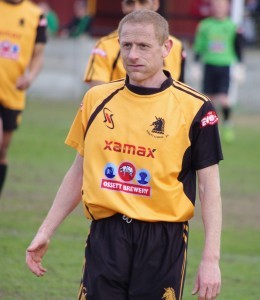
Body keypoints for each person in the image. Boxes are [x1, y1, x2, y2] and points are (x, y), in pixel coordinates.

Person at [26, 9, 223, 300]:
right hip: (106, 235)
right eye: (126, 45)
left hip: (163, 240)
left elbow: (209, 188)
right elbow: (79, 171)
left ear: (166, 47)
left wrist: (211, 259)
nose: (132, 55)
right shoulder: (96, 99)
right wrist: (46, 229)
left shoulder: (196, 108)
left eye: (143, 46)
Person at [0, 0, 47, 196]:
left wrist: (30, 76)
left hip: (13, 93)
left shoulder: (36, 16)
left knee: (2, 151)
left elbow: (38, 55)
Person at [84, 0, 186, 88]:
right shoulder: (104, 46)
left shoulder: (177, 46)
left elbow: (179, 91)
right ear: (123, 5)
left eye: (143, 2)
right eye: (130, 2)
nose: (136, 8)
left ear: (155, 4)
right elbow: (99, 98)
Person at [193, 0, 244, 143]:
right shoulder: (205, 25)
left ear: (227, 8)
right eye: (215, 6)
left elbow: (238, 47)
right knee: (208, 101)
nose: (218, 9)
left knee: (224, 99)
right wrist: (196, 64)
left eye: (221, 6)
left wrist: (239, 66)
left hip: (224, 66)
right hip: (209, 65)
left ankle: (227, 125)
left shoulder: (232, 26)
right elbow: (199, 45)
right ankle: (208, 129)